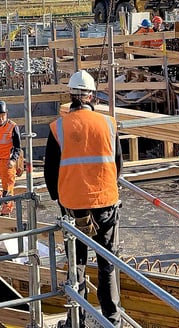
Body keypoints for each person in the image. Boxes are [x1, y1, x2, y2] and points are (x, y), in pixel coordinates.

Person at [44, 70, 122, 327]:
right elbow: (118, 164)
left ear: (71, 95)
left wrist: (59, 197)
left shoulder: (59, 128)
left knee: (76, 263)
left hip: (73, 206)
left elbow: (50, 170)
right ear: (91, 95)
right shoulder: (109, 124)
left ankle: (75, 320)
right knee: (107, 262)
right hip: (106, 202)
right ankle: (112, 318)